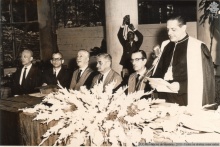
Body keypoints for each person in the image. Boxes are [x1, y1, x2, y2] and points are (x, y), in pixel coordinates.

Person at [150, 15, 215, 107]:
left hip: (186, 97)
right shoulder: (166, 45)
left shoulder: (197, 47)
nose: (169, 33)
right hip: (165, 96)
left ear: (184, 28)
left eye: (173, 29)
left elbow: (205, 79)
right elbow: (160, 68)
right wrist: (154, 81)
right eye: (168, 29)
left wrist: (181, 86)